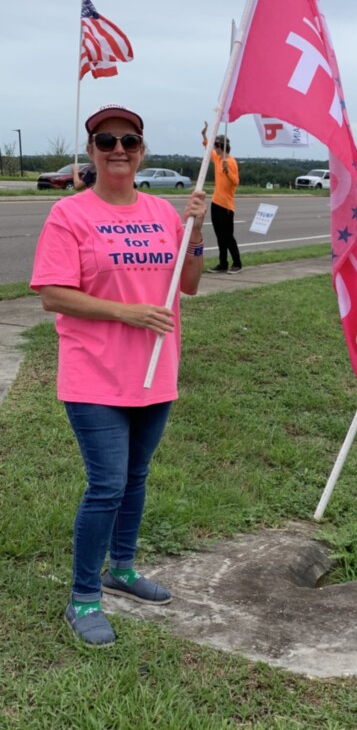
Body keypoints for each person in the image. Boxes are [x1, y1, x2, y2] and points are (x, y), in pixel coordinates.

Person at [30, 103, 207, 648]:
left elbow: (190, 283)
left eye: (129, 141)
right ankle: (84, 595)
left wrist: (195, 231)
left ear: (142, 151)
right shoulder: (70, 215)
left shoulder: (161, 211)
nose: (118, 151)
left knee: (136, 476)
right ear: (91, 152)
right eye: (106, 142)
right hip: (94, 373)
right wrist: (124, 312)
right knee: (106, 483)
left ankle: (122, 569)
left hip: (155, 371)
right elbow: (52, 295)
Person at [201, 122, 242, 273]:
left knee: (228, 236)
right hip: (216, 203)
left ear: (220, 147)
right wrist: (204, 136)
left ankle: (237, 263)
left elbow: (236, 181)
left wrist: (227, 171)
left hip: (226, 206)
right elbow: (207, 148)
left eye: (215, 146)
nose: (214, 149)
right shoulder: (218, 158)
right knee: (219, 236)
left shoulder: (230, 162)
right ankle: (222, 263)